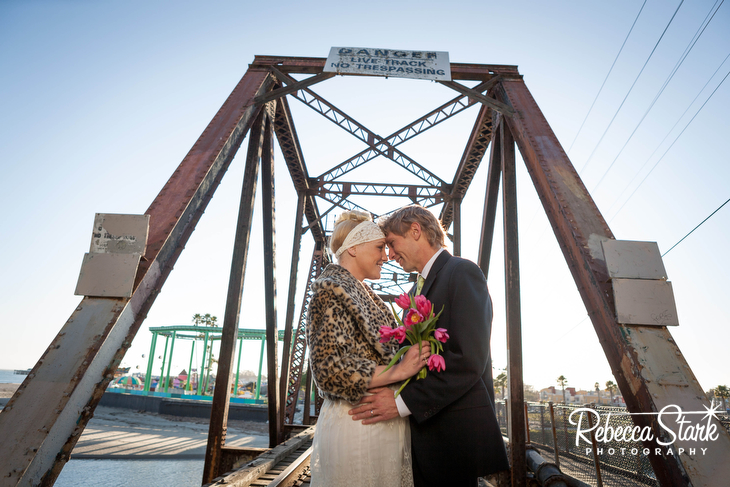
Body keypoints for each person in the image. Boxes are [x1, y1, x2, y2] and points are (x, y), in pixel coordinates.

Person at [349, 205, 510, 487]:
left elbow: (468, 359)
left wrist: (401, 403)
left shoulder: (462, 272)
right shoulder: (413, 292)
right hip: (423, 436)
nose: (390, 255)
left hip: (453, 440)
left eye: (392, 244)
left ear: (415, 230)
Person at [306, 210, 431, 487]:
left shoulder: (368, 297)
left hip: (377, 425)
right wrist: (398, 370)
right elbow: (330, 371)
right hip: (357, 427)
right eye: (378, 247)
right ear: (352, 249)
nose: (386, 256)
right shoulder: (330, 292)